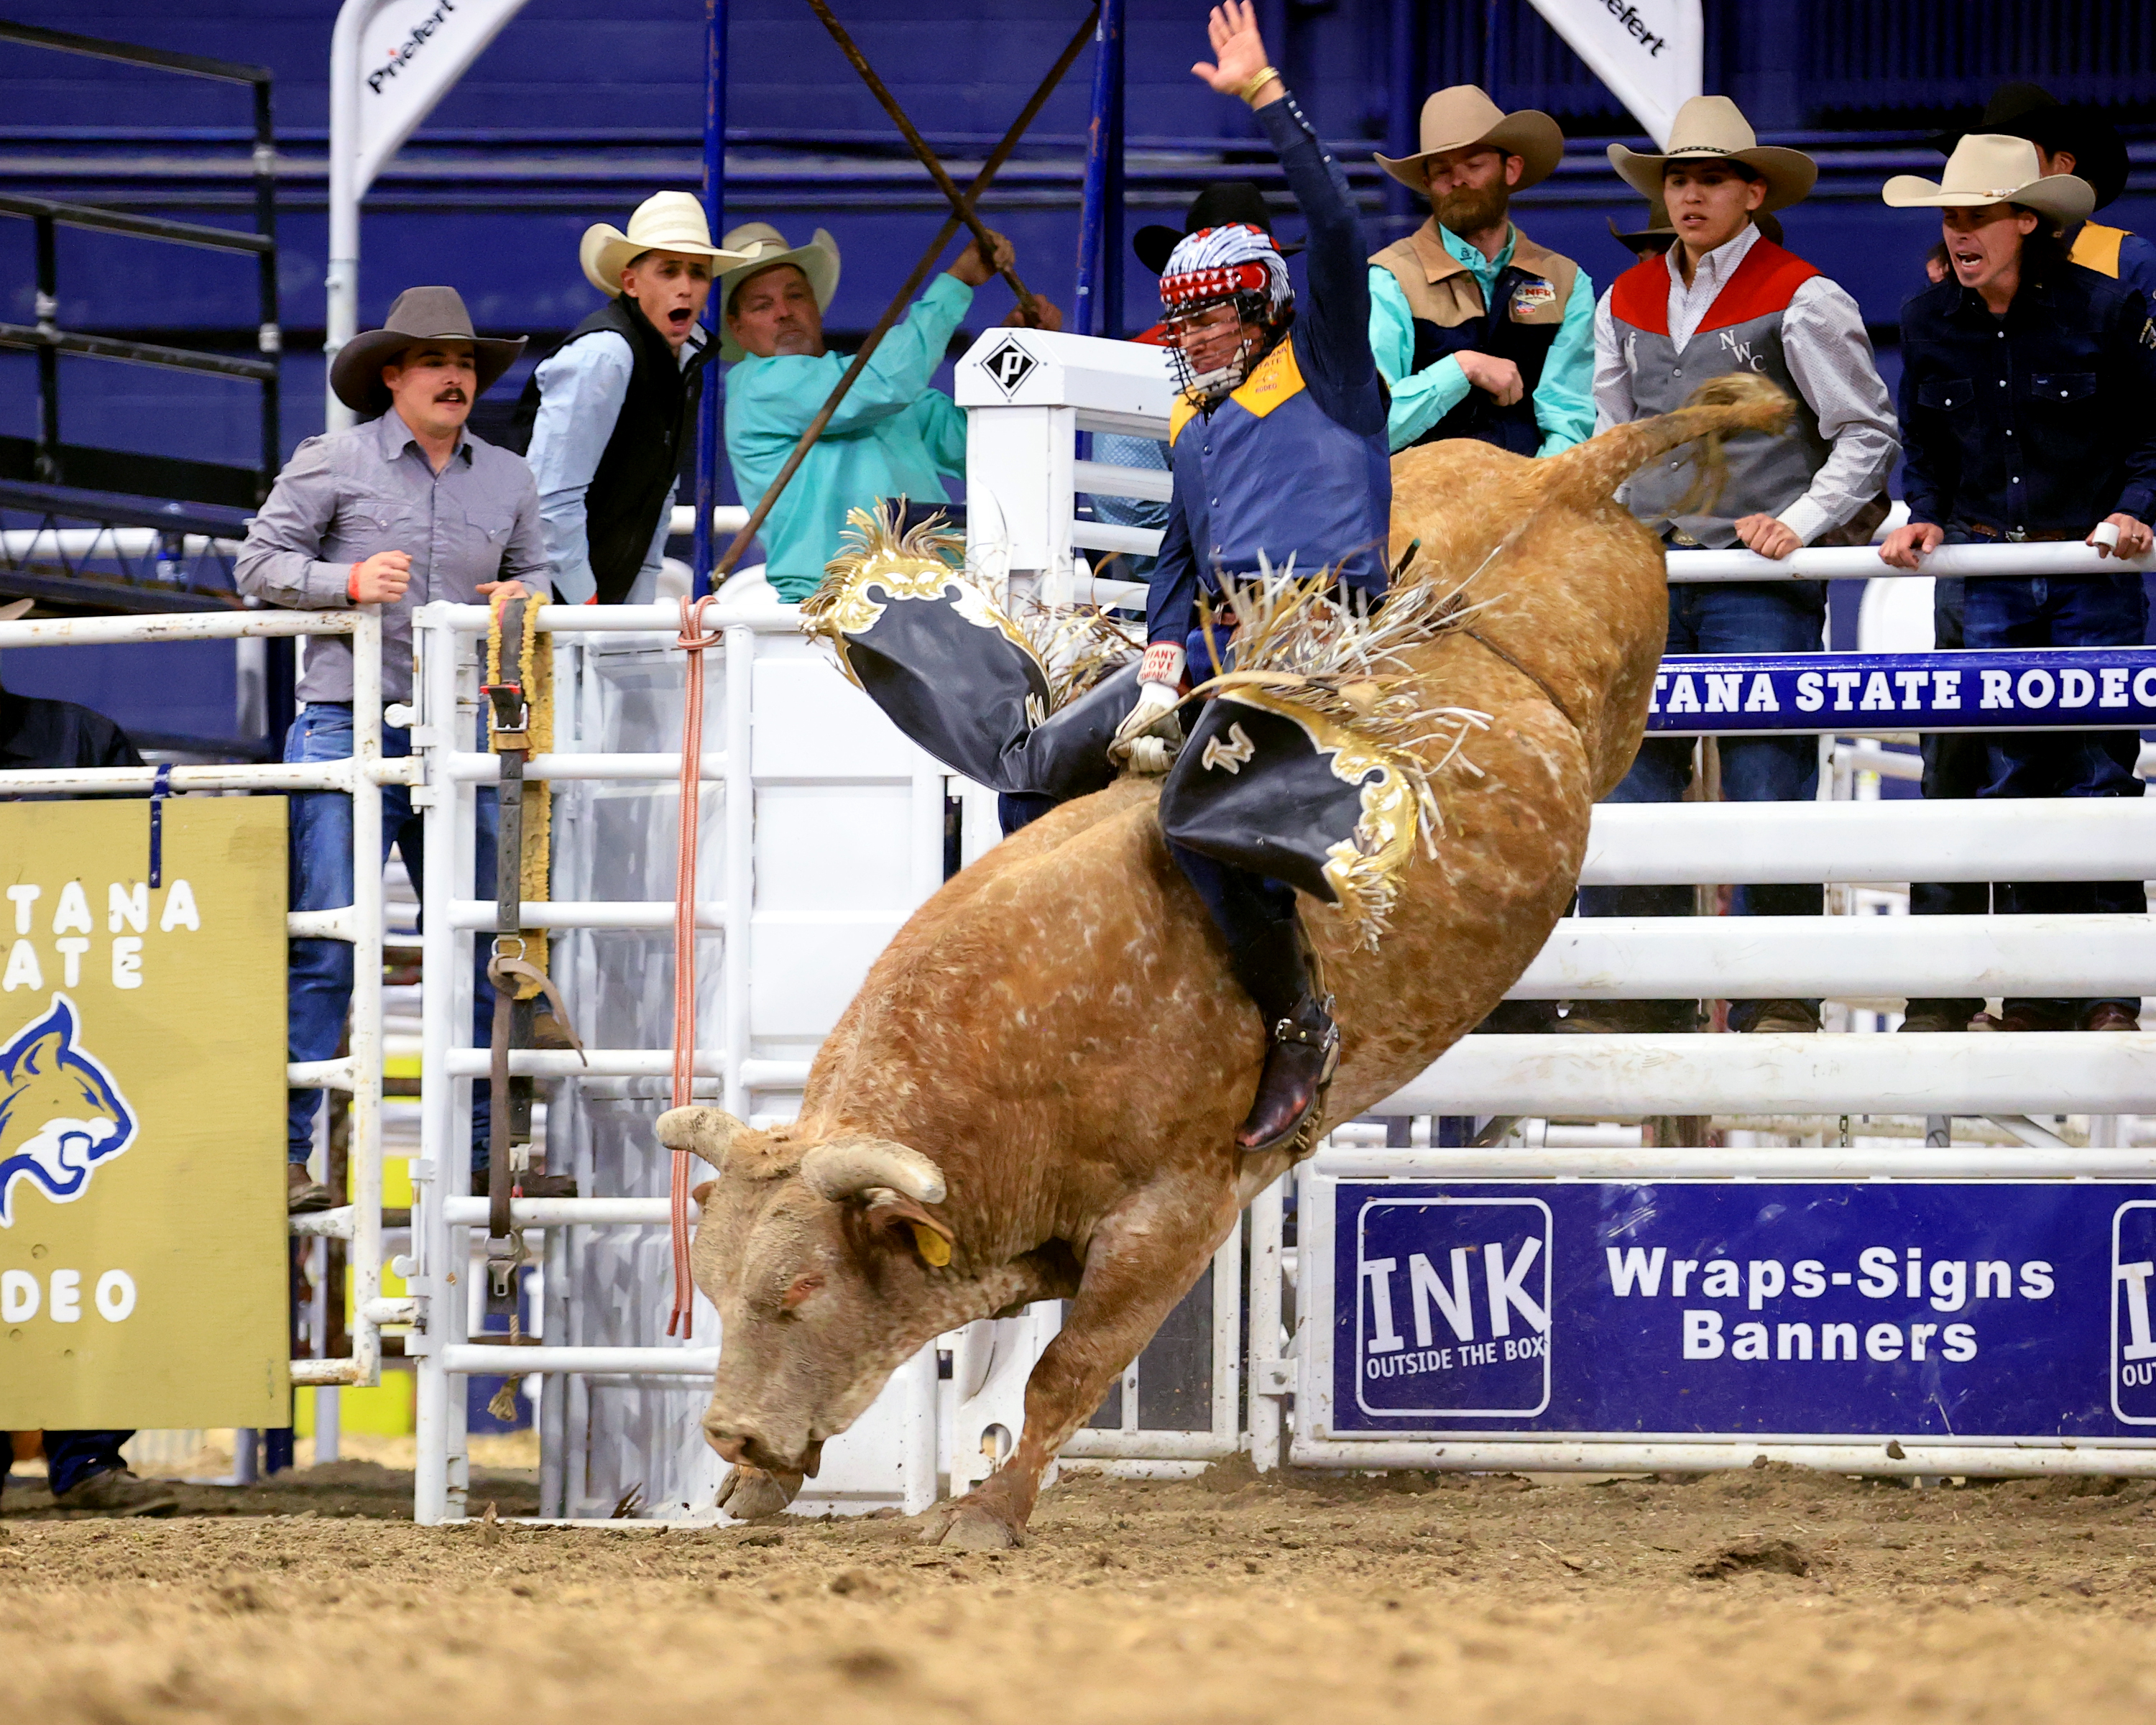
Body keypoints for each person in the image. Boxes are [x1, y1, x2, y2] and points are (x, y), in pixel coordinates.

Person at [1111, 1, 1390, 1153]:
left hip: (1332, 643)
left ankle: (1294, 1024)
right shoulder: (1193, 413)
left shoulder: (1325, 363)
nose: (1193, 339)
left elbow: (1332, 220)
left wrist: (1267, 98)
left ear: (1266, 308)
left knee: (1198, 818)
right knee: (1047, 774)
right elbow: (1179, 553)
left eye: (1210, 318)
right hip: (1227, 651)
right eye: (1181, 320)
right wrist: (1152, 671)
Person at [236, 286, 573, 1206]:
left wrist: (523, 599)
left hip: (459, 727)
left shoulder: (507, 478)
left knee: (482, 945)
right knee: (330, 942)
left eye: (465, 364)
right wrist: (344, 581)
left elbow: (537, 576)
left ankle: (482, 1159)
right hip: (351, 720)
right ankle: (285, 1158)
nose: (455, 377)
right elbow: (257, 564)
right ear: (394, 377)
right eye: (436, 362)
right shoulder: (331, 461)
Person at [1571, 96, 1899, 1037]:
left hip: (1755, 582)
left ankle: (1779, 996)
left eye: (1710, 178)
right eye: (1679, 178)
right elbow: (1614, 435)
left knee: (1767, 781)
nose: (1690, 194)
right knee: (1632, 780)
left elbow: (1866, 431)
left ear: (1753, 192)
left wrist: (1799, 523)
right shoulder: (1623, 300)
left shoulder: (1804, 294)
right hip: (1654, 576)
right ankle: (1639, 996)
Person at [1879, 134, 2156, 1034]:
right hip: (1990, 562)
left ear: (2025, 222)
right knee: (2003, 773)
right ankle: (2038, 991)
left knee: (2093, 775)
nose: (1959, 233)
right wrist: (1923, 507)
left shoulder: (2109, 310)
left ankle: (2105, 989)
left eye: (1976, 217)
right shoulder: (1927, 322)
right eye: (1950, 218)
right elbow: (1923, 443)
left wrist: (2136, 509)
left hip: (2090, 569)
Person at [0, 598, 178, 1517]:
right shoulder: (79, 735)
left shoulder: (84, 739)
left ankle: (86, 1455)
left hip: (71, 1024)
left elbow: (156, 869)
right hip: (52, 1040)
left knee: (84, 1235)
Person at [720, 221, 1061, 603]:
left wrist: (1012, 348)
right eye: (762, 305)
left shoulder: (868, 386)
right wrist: (956, 282)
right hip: (833, 605)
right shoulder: (759, 386)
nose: (783, 312)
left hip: (938, 596)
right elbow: (887, 381)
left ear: (816, 307)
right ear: (737, 329)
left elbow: (979, 444)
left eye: (796, 296)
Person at [516, 193, 747, 604]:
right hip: (549, 602)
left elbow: (659, 497)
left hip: (590, 601)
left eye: (698, 273)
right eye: (669, 271)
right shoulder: (606, 355)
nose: (686, 288)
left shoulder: (682, 360)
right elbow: (549, 501)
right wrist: (589, 605)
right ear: (631, 283)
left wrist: (632, 607)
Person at [1368, 86, 1593, 456]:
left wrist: (1533, 495)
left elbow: (1571, 419)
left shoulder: (1566, 282)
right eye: (1442, 171)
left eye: (1474, 166)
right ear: (1426, 184)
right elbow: (1375, 425)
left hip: (1533, 498)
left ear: (1512, 169)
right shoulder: (1390, 278)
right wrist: (1461, 368)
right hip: (1422, 504)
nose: (1457, 181)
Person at [1936, 83, 2156, 305]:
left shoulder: (2127, 259)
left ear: (2062, 165)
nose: (1999, 166)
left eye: (2018, 152)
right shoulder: (1961, 266)